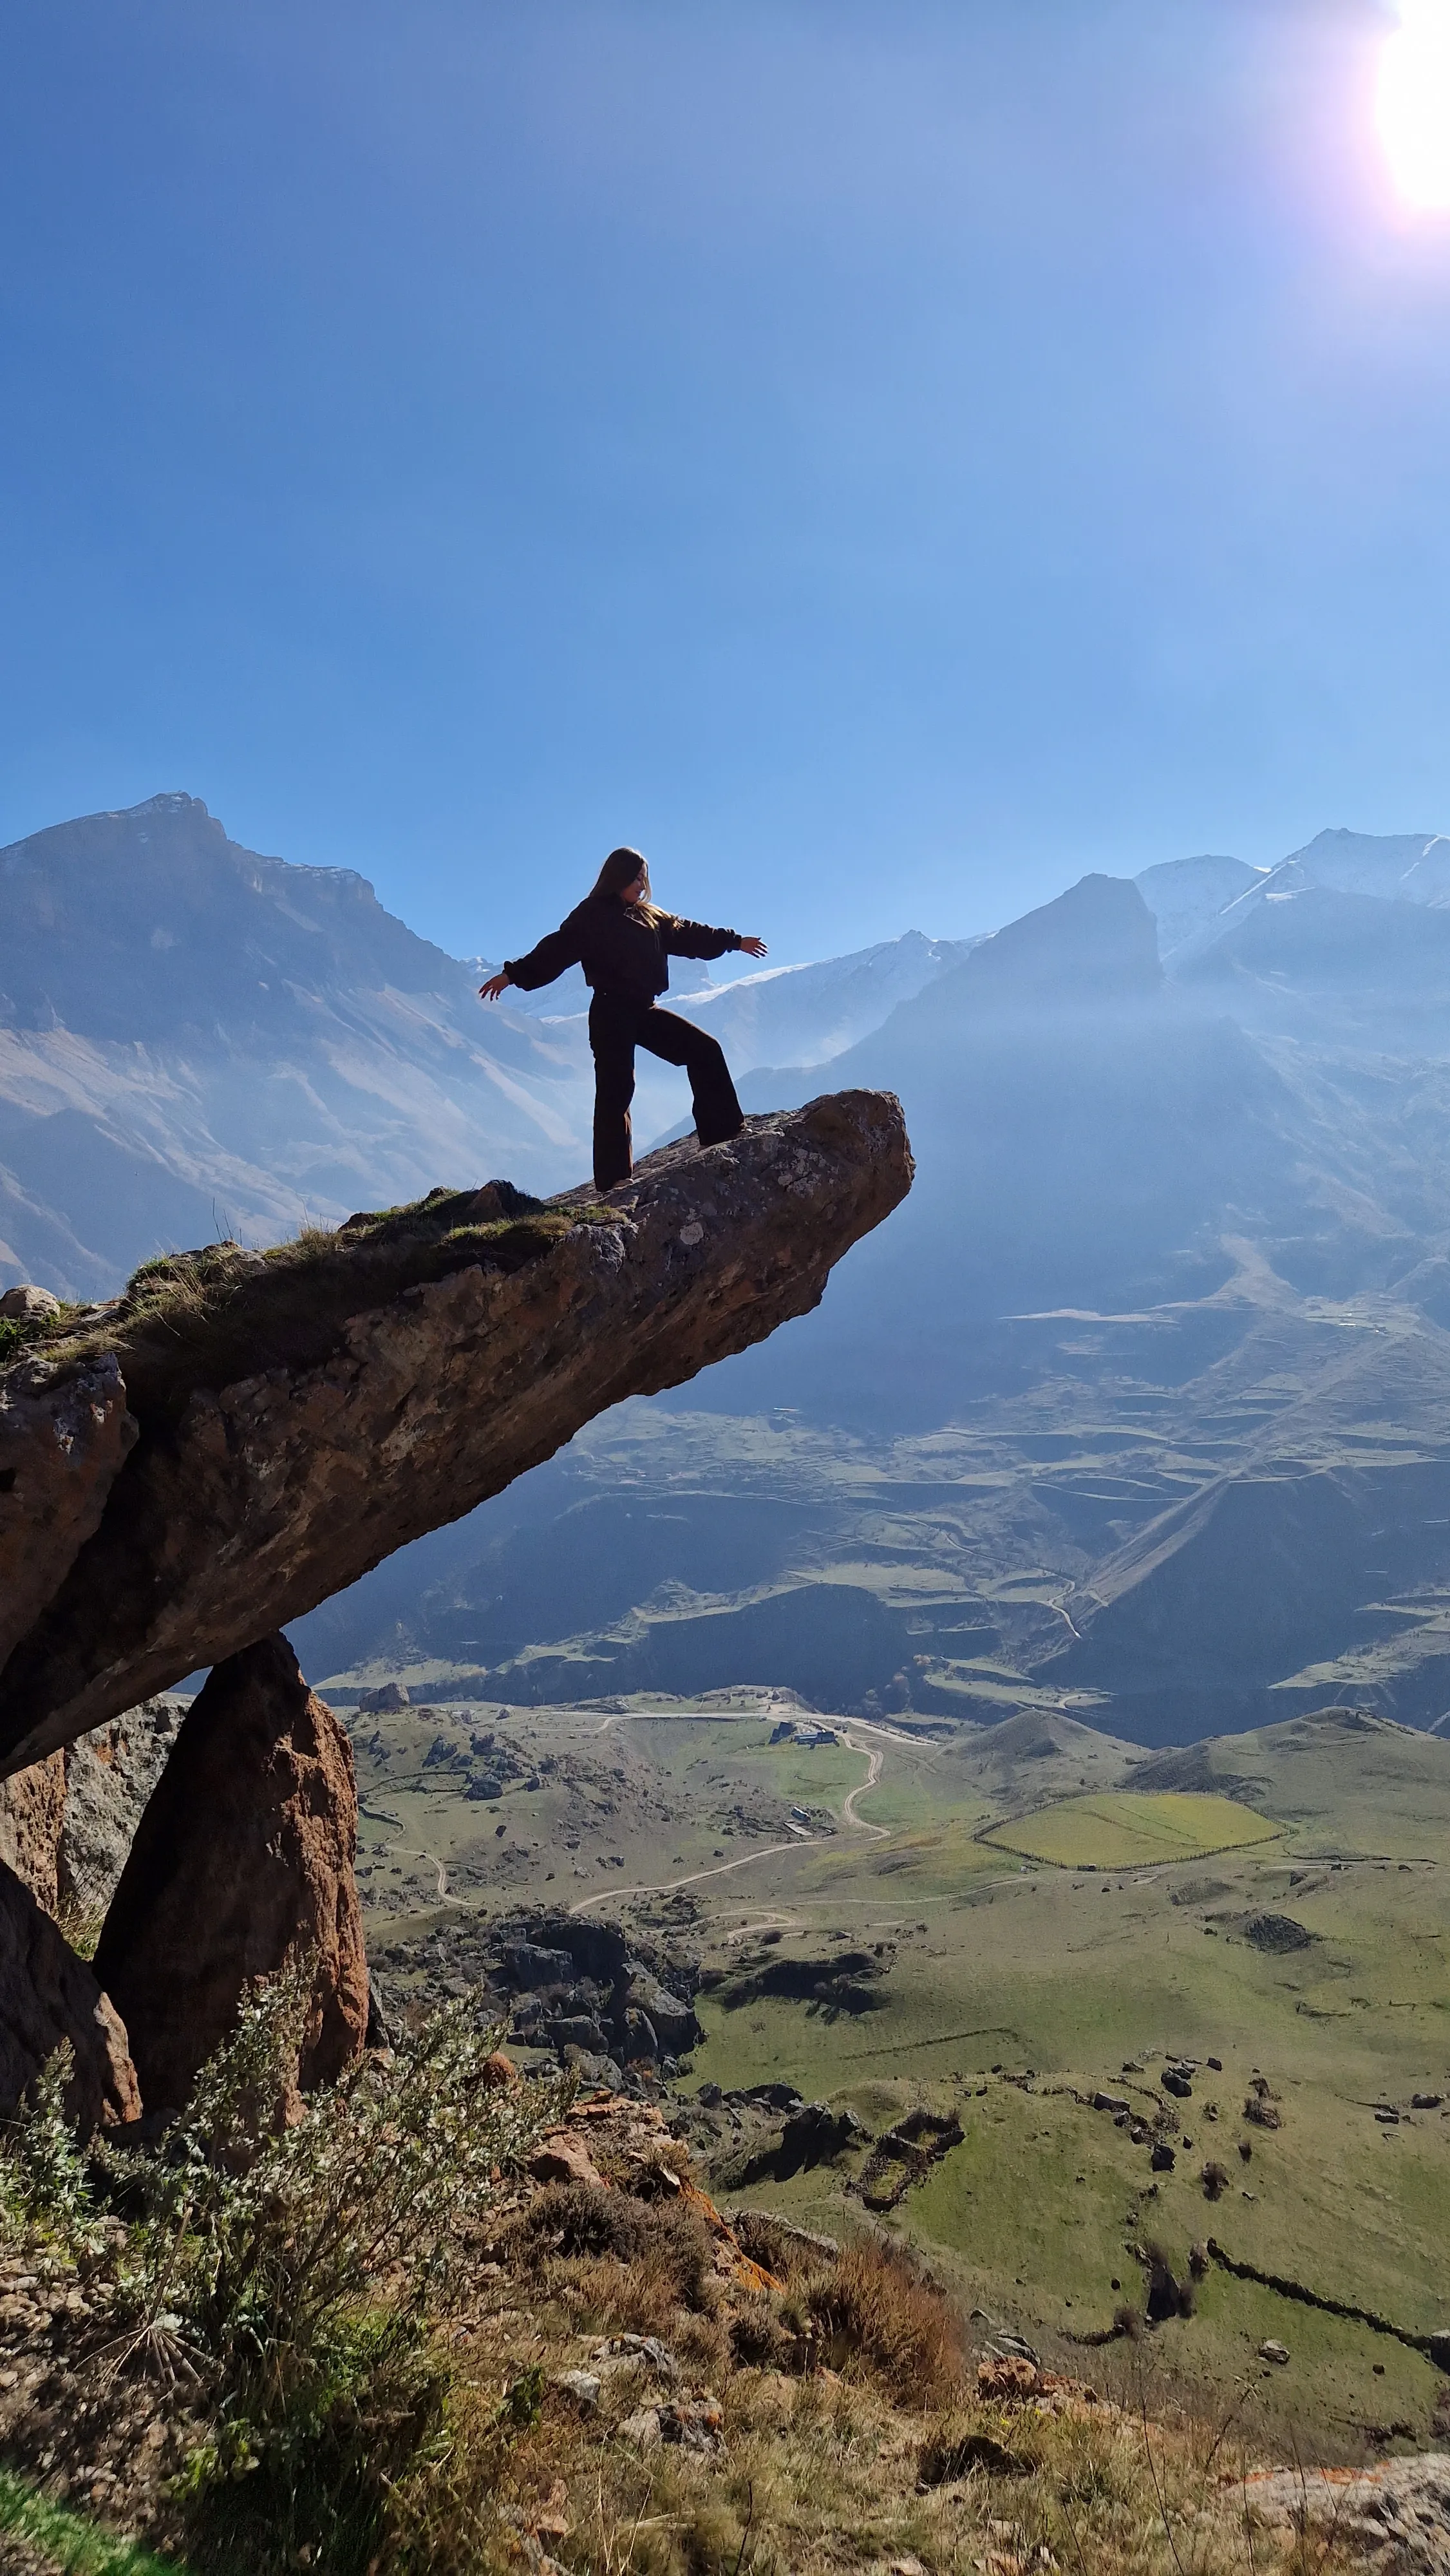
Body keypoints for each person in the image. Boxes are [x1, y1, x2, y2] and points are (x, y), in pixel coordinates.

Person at [479, 848, 768, 1191]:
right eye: (636, 878)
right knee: (616, 1092)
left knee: (704, 1049)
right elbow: (556, 949)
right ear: (617, 877)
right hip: (609, 1011)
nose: (642, 886)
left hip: (644, 1010)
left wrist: (734, 941)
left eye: (644, 879)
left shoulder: (651, 918)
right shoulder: (591, 915)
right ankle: (614, 1179)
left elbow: (691, 934)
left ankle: (722, 1131)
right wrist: (512, 975)